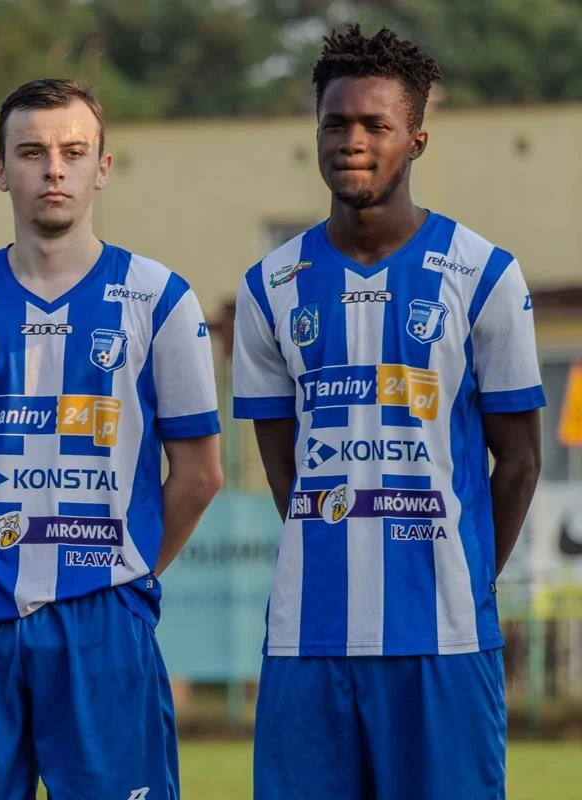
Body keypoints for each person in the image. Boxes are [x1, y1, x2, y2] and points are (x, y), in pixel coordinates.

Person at [232, 25, 545, 799]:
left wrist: (465, 577)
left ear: (416, 140)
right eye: (336, 123)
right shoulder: (270, 286)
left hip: (443, 638)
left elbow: (520, 461)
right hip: (309, 640)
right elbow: (283, 466)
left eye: (376, 124)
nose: (353, 141)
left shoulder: (483, 274)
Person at [0, 78, 223, 799]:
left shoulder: (160, 299)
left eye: (73, 152)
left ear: (102, 168)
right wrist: (7, 545)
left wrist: (125, 570)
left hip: (105, 619)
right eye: (32, 153)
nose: (54, 169)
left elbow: (200, 475)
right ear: (0, 170)